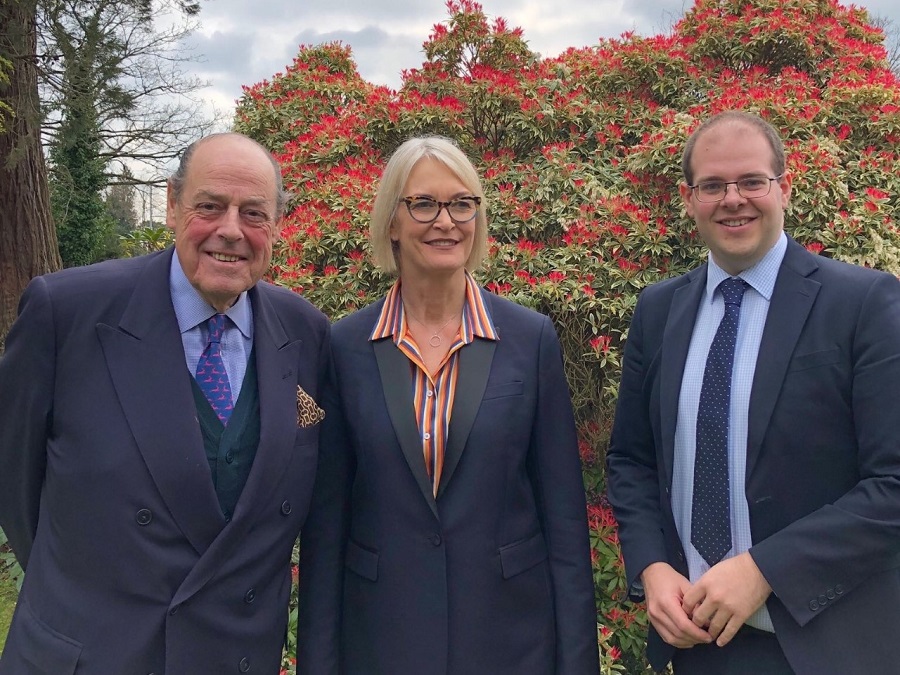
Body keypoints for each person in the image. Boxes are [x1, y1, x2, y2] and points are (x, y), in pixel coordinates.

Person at [0, 132, 330, 674]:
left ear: (276, 226)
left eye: (253, 213)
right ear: (174, 204)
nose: (230, 230)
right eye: (209, 206)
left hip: (235, 657)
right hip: (97, 657)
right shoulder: (68, 312)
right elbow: (14, 482)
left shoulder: (305, 331)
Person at [606, 110, 900, 674]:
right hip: (701, 649)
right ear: (689, 199)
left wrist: (764, 570)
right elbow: (631, 460)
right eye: (712, 185)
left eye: (751, 181)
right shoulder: (659, 310)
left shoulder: (862, 305)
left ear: (783, 188)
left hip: (830, 648)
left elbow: (892, 485)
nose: (732, 199)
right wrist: (652, 568)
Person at [296, 136, 599, 674]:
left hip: (511, 642)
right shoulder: (343, 348)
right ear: (392, 221)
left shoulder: (529, 340)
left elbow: (565, 525)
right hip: (382, 642)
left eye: (463, 203)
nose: (446, 221)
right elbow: (327, 526)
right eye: (424, 204)